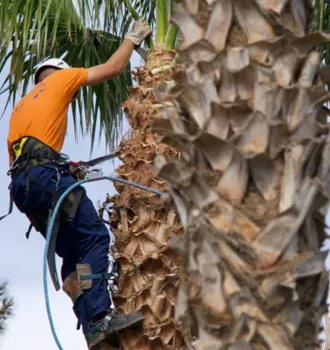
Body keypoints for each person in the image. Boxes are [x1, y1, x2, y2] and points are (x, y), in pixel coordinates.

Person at [6, 19, 151, 350]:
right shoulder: (62, 79)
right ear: (56, 73)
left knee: (73, 252)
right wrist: (132, 38)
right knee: (95, 237)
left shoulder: (21, 107)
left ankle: (92, 330)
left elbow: (24, 157)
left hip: (24, 189)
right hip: (46, 178)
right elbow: (113, 67)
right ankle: (99, 317)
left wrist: (67, 167)